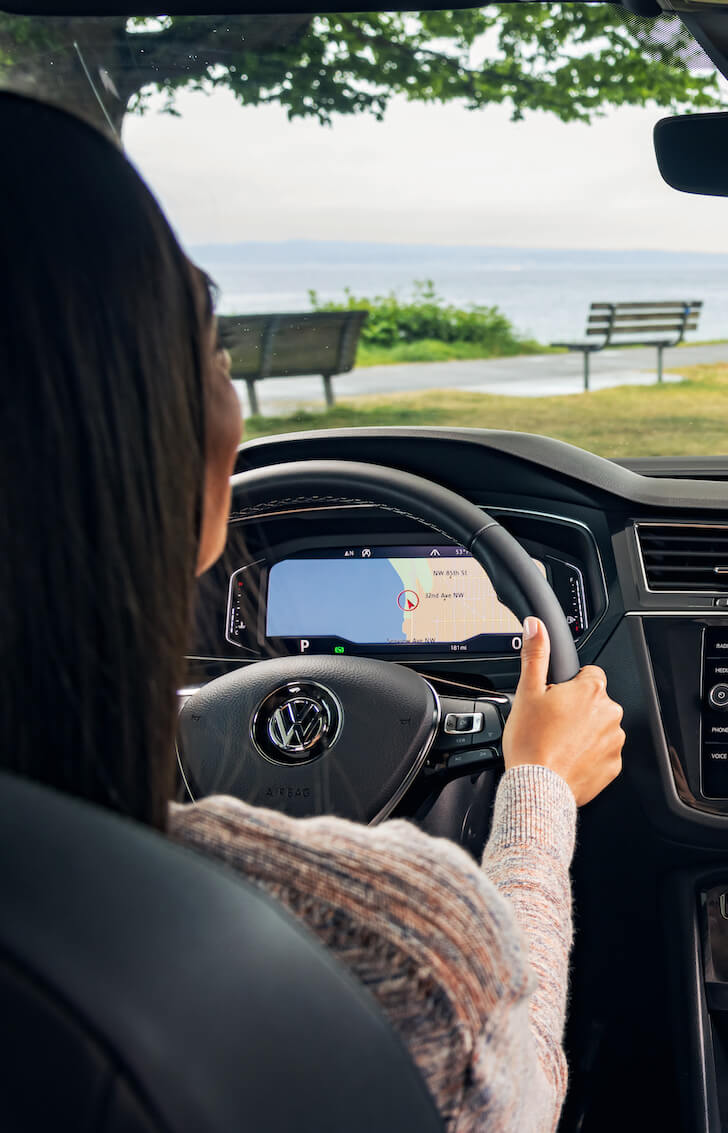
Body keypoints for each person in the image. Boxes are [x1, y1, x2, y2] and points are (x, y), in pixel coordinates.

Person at [0, 91, 624, 1133]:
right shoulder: (388, 931)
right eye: (211, 351)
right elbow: (519, 1095)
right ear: (184, 469)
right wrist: (535, 789)